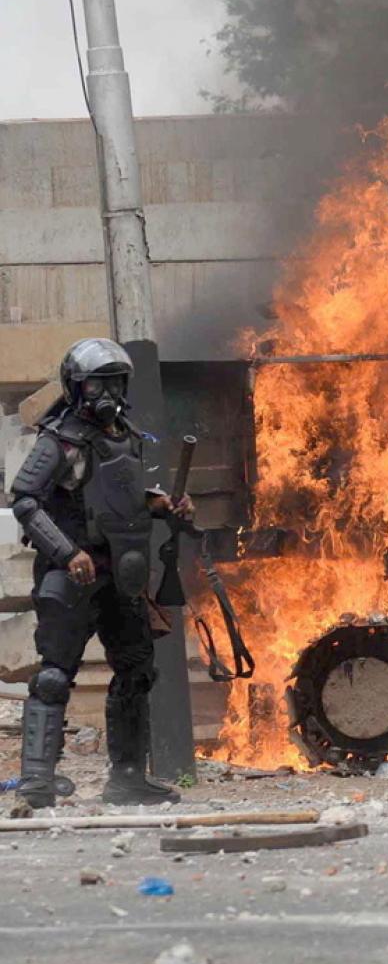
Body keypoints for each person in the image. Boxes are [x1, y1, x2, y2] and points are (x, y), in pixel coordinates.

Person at [8, 338, 193, 808]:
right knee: (54, 676)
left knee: (136, 672)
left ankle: (127, 778)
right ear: (76, 387)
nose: (105, 392)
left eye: (113, 382)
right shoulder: (60, 440)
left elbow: (126, 501)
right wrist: (67, 552)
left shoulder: (126, 435)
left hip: (122, 579)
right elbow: (25, 500)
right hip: (72, 576)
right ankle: (37, 781)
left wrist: (164, 506)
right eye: (96, 383)